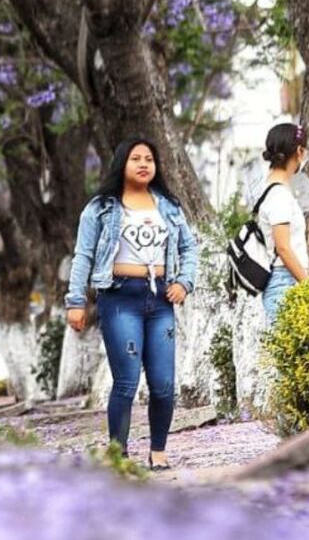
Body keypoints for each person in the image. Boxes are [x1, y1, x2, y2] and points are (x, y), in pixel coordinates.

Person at [65, 137, 199, 471]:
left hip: (160, 300)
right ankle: (118, 454)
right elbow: (82, 256)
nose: (143, 164)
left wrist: (184, 282)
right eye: (136, 158)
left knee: (164, 384)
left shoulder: (168, 206)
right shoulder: (101, 208)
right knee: (126, 382)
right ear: (122, 164)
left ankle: (158, 451)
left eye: (149, 159)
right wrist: (76, 301)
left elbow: (189, 249)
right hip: (119, 298)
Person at [258, 123, 309, 326]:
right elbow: (283, 247)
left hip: (287, 279)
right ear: (299, 151)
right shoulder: (278, 195)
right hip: (285, 282)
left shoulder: (274, 190)